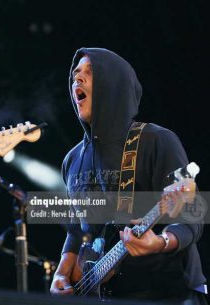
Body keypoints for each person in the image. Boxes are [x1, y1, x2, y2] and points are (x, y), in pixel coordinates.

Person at [49, 48, 207, 304]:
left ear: (113, 84)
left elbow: (192, 214)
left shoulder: (156, 141)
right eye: (75, 75)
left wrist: (161, 242)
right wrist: (61, 275)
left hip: (168, 294)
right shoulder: (72, 159)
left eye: (89, 72)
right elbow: (76, 229)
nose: (77, 79)